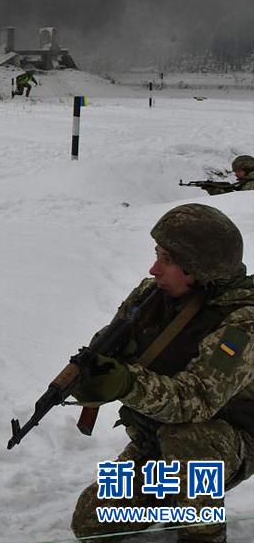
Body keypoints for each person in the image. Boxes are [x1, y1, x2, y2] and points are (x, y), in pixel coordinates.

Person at [70, 204, 253, 543]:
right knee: (91, 521)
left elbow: (195, 400)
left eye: (167, 260)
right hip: (157, 436)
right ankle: (178, 493)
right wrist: (95, 374)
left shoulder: (242, 321)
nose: (154, 269)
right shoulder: (151, 295)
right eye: (157, 254)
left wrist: (127, 382)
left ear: (198, 268)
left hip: (225, 440)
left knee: (186, 437)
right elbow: (106, 343)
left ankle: (203, 533)